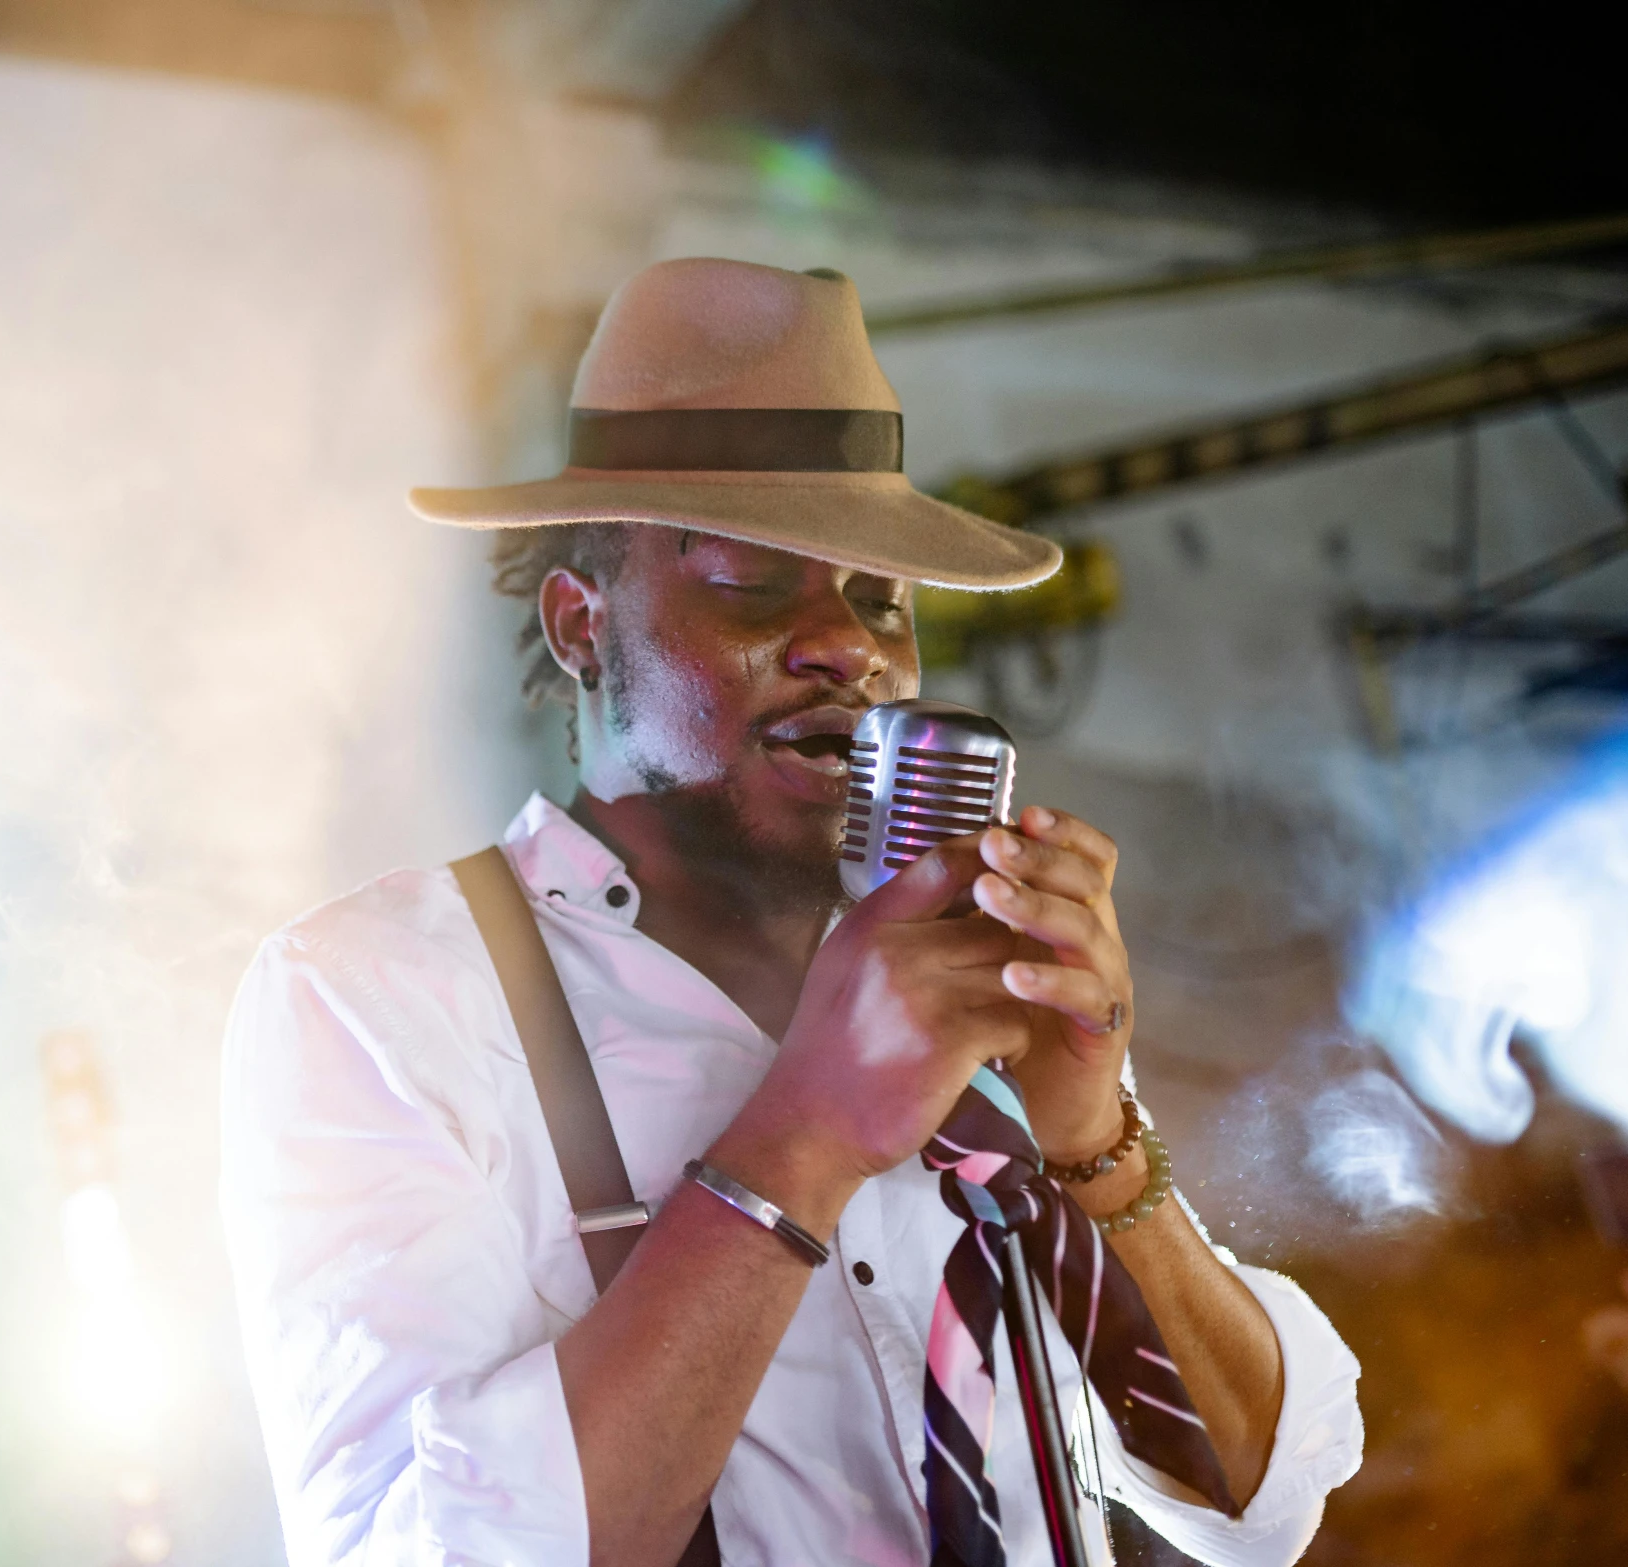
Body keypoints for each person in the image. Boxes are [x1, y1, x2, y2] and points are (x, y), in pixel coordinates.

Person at [220, 258, 1362, 1566]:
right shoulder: (379, 995)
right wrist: (804, 1135)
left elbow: (1254, 1506)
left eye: (882, 597)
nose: (849, 645)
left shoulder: (958, 974)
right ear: (581, 623)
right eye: (756, 582)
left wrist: (1089, 1136)